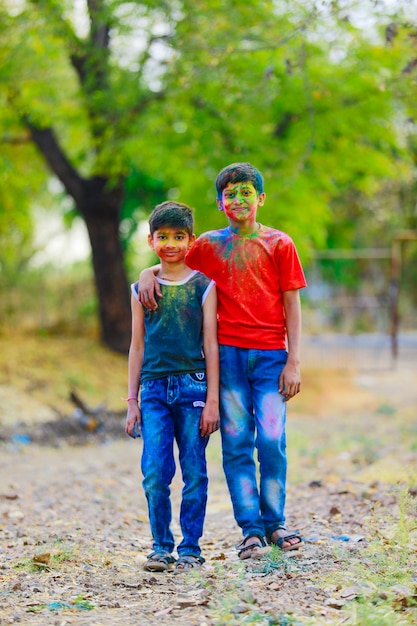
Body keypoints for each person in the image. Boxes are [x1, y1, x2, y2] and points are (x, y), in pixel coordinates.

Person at [138, 163, 307, 560]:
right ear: (220, 203)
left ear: (260, 198)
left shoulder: (280, 244)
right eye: (230, 194)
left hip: (270, 357)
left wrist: (294, 361)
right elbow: (170, 258)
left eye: (246, 192)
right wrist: (147, 272)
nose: (238, 200)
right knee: (235, 444)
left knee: (271, 441)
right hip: (227, 358)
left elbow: (292, 304)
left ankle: (275, 522)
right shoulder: (210, 245)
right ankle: (249, 529)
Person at [125, 200, 219, 573]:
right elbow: (137, 346)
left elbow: (211, 344)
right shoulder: (140, 289)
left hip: (195, 388)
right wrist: (132, 400)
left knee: (194, 471)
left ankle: (191, 548)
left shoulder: (204, 286)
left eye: (179, 237)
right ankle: (161, 546)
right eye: (163, 237)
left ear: (191, 241)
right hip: (153, 391)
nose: (171, 244)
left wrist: (213, 399)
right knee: (154, 471)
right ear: (151, 241)